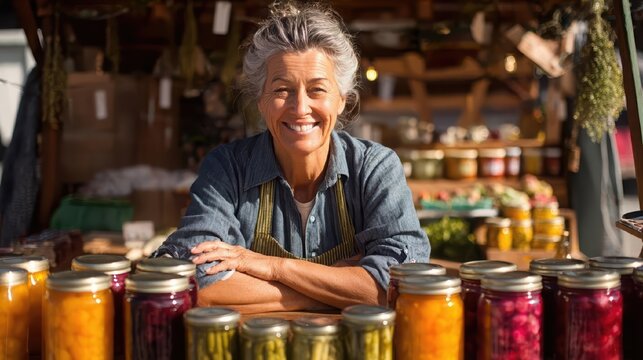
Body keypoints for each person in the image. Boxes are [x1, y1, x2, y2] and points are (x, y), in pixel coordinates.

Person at [154, 1, 429, 313]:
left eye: (317, 90)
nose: (300, 109)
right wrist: (337, 288)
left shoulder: (375, 168)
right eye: (282, 90)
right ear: (261, 101)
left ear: (341, 100)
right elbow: (200, 283)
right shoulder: (228, 169)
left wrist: (270, 267)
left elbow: (395, 285)